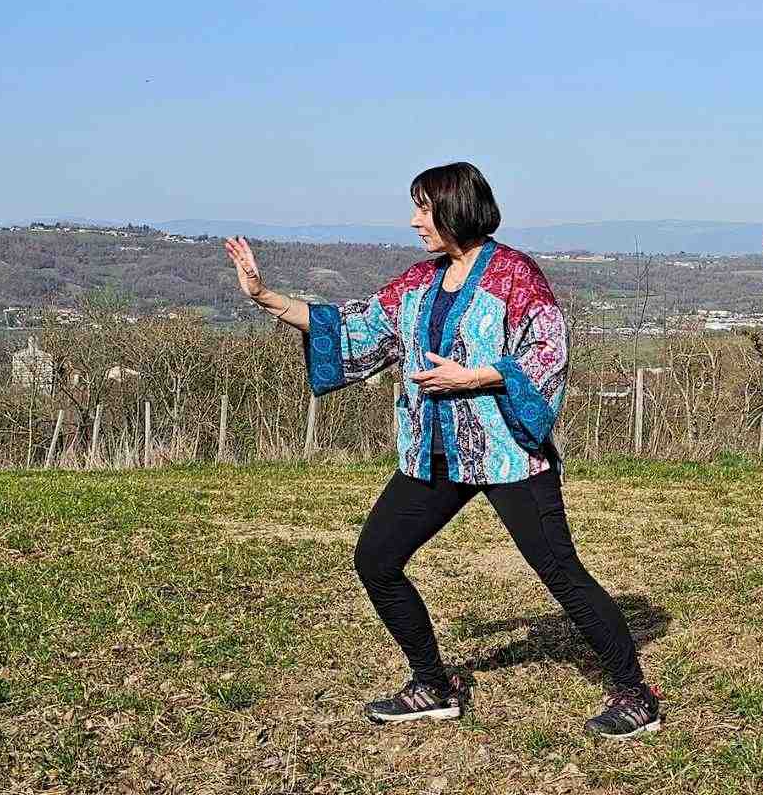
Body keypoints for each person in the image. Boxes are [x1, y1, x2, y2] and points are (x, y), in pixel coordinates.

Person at [224, 162, 662, 739]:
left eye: (423, 208)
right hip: (434, 453)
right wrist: (264, 297)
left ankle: (636, 695)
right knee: (376, 560)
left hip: (508, 453)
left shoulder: (514, 276)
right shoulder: (419, 281)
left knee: (559, 572)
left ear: (455, 207)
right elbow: (354, 325)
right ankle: (433, 686)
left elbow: (549, 353)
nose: (414, 221)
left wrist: (475, 377)